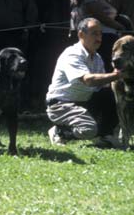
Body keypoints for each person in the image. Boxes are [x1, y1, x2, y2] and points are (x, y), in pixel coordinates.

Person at [46, 18, 121, 147]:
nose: (99, 38)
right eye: (94, 33)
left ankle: (105, 134)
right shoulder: (72, 54)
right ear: (81, 34)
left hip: (84, 101)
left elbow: (103, 85)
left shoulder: (97, 58)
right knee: (88, 130)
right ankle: (59, 132)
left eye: (100, 34)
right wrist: (117, 75)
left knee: (111, 93)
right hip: (61, 105)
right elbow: (89, 80)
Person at [74, 0, 124, 72]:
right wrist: (120, 26)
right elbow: (102, 17)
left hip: (109, 35)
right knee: (106, 65)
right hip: (104, 36)